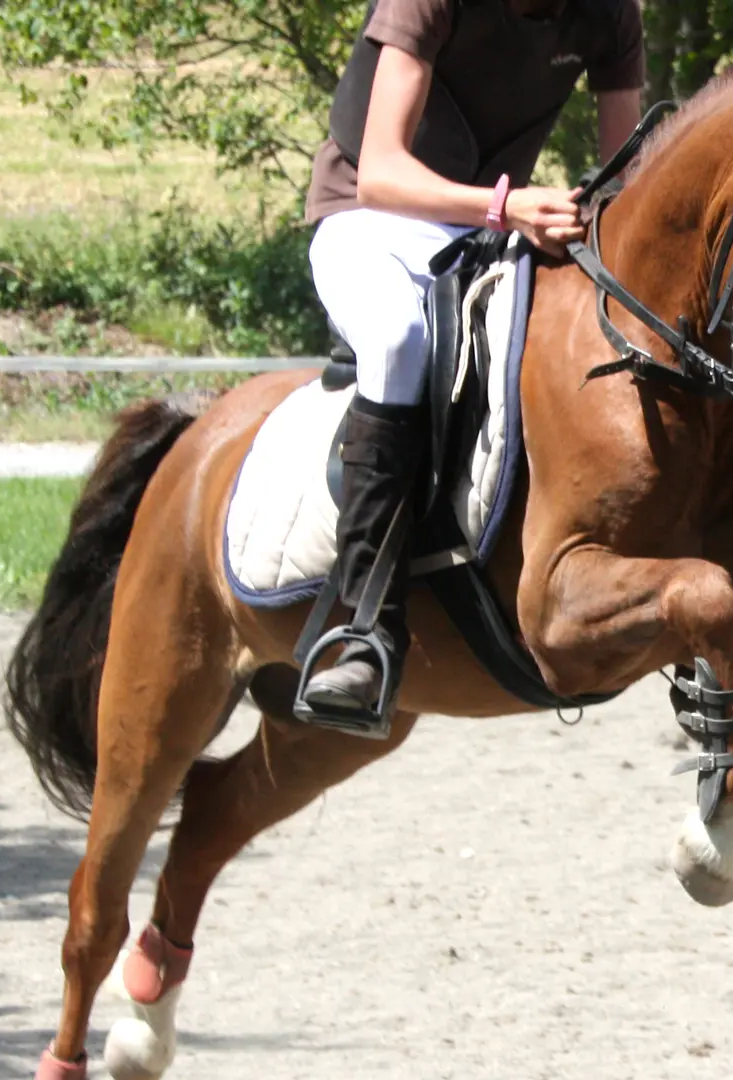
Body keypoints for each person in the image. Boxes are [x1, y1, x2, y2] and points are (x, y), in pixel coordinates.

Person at [296, 0, 644, 723]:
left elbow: (625, 178)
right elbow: (380, 174)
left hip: (487, 230)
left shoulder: (609, 14)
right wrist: (507, 209)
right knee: (398, 341)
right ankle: (362, 630)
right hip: (372, 223)